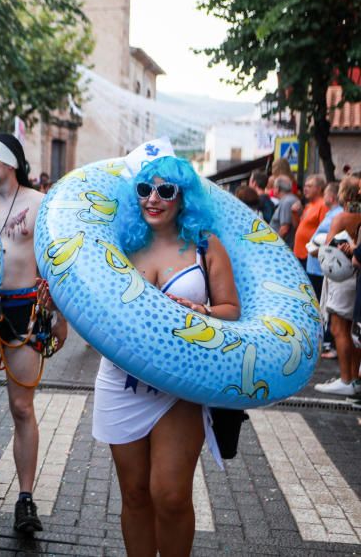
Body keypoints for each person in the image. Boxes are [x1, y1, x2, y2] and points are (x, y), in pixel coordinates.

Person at [93, 143, 240, 556]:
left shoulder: (204, 246)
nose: (153, 199)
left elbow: (231, 310)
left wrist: (203, 311)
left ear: (183, 197)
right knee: (135, 494)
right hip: (121, 383)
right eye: (144, 189)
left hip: (179, 385)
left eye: (165, 191)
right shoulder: (120, 244)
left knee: (170, 495)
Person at [0, 133, 67, 534]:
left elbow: (54, 265)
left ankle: (25, 498)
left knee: (22, 407)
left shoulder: (40, 204)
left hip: (25, 306)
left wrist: (60, 315)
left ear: (11, 163)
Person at [314, 176, 361, 396]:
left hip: (342, 278)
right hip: (356, 278)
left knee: (339, 329)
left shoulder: (342, 217)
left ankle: (346, 378)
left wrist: (316, 249)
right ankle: (354, 377)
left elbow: (326, 249)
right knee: (353, 332)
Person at [308, 182, 342, 359]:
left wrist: (317, 249)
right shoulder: (331, 213)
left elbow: (330, 241)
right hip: (317, 265)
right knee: (320, 304)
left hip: (324, 267)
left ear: (332, 196)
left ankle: (327, 342)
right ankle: (323, 339)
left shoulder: (339, 215)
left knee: (327, 306)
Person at [293, 175, 328, 272]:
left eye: (309, 186)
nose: (305, 189)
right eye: (305, 186)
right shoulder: (309, 205)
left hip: (309, 257)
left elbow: (324, 233)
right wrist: (294, 214)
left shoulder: (323, 205)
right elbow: (299, 227)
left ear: (319, 189)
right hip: (300, 255)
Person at [269, 174, 299, 247]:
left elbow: (284, 228)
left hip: (285, 246)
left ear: (277, 188)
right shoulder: (290, 199)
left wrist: (274, 244)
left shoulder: (287, 202)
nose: (273, 189)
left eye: (274, 187)